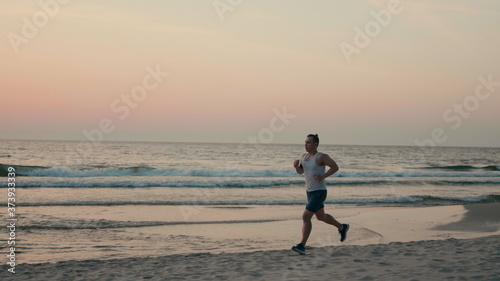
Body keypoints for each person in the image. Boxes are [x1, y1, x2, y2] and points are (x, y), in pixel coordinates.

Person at [291, 134, 349, 255]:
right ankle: (342, 227)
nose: (305, 144)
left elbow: (335, 167)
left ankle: (302, 245)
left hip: (319, 192)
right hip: (309, 192)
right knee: (321, 217)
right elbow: (302, 172)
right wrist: (296, 167)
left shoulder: (321, 157)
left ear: (315, 144)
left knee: (306, 217)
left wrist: (323, 176)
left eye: (308, 142)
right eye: (305, 142)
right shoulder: (303, 157)